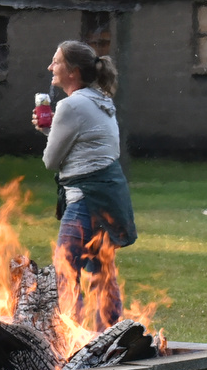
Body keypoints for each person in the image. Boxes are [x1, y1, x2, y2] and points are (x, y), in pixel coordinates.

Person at [38, 39, 136, 328]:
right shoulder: (102, 99)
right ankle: (112, 335)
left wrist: (51, 131)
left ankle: (74, 336)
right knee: (101, 272)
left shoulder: (71, 105)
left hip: (87, 199)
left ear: (73, 72)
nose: (50, 67)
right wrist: (50, 129)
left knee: (65, 272)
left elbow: (50, 161)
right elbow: (85, 146)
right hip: (110, 197)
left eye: (56, 62)